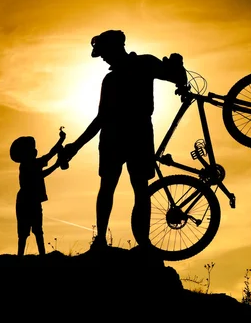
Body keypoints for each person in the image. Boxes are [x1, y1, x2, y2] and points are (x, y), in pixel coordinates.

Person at [61, 29, 188, 251]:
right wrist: (76, 146)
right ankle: (106, 240)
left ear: (115, 48)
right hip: (126, 136)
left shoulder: (139, 66)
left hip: (127, 136)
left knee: (133, 188)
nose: (103, 58)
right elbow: (101, 117)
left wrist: (178, 66)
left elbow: (175, 77)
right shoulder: (119, 75)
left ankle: (139, 242)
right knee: (121, 187)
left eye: (104, 53)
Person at [10, 127, 66, 256]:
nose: (35, 150)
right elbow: (44, 169)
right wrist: (57, 163)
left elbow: (50, 155)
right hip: (27, 200)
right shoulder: (28, 164)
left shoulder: (30, 163)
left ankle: (36, 255)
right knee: (27, 232)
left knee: (35, 230)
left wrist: (60, 141)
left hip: (29, 199)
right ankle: (29, 256)